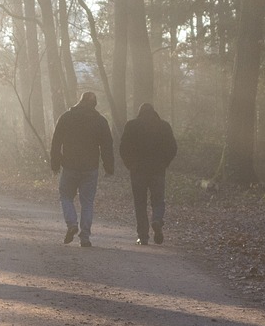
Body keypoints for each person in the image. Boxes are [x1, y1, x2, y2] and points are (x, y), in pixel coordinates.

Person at [50, 91, 115, 247]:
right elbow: (107, 146)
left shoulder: (66, 117)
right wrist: (109, 167)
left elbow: (56, 142)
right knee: (87, 202)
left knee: (65, 196)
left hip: (70, 166)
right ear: (94, 104)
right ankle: (85, 237)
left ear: (80, 101)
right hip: (90, 168)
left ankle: (72, 223)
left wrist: (55, 163)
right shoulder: (100, 121)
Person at [118, 102, 178, 245]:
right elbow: (173, 148)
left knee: (140, 203)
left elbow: (123, 148)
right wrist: (165, 163)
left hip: (138, 170)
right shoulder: (164, 126)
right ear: (154, 112)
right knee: (158, 200)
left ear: (140, 112)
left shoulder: (131, 125)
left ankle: (143, 236)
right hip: (158, 170)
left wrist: (130, 164)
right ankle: (157, 219)